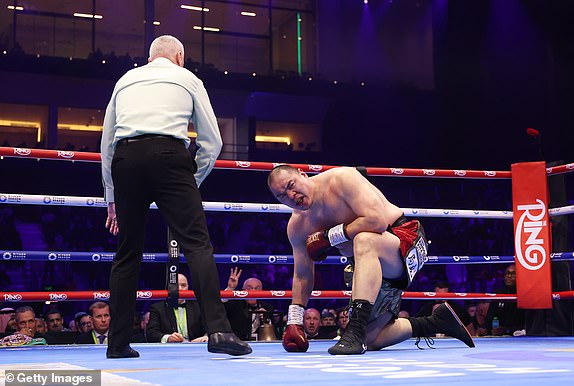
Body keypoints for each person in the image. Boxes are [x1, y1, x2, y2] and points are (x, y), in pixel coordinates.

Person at [100, 35, 251, 358]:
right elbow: (212, 142)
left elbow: (107, 143)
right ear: (179, 56)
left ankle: (117, 343)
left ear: (150, 56)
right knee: (197, 245)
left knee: (127, 253)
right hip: (170, 158)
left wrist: (110, 195)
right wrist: (192, 179)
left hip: (127, 160)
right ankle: (220, 332)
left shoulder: (125, 80)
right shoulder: (187, 78)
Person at [267, 165, 475, 355]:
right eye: (282, 195)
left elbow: (377, 220)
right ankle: (435, 322)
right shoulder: (297, 228)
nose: (291, 195)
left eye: (291, 186)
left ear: (303, 174)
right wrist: (295, 320)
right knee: (371, 339)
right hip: (369, 268)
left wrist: (329, 236)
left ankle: (354, 331)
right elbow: (302, 275)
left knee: (364, 239)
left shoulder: (341, 179)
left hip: (403, 239)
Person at [146, 274, 207, 343]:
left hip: (196, 349)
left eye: (183, 285)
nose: (180, 288)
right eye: (176, 285)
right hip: (169, 350)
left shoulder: (198, 306)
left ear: (188, 287)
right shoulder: (158, 308)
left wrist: (206, 336)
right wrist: (168, 338)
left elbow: (209, 328)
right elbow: (151, 333)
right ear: (168, 287)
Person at [223, 268, 274, 341]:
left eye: (257, 288)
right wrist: (230, 289)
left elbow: (275, 334)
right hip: (236, 344)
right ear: (243, 290)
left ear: (262, 291)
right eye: (249, 288)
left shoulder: (268, 307)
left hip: (261, 346)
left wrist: (266, 320)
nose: (253, 291)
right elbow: (220, 309)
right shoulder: (234, 304)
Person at [485, 264, 525, 336]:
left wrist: (507, 329)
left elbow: (529, 324)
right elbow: (490, 317)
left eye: (513, 274)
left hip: (518, 335)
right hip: (498, 336)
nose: (509, 276)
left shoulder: (525, 294)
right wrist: (485, 329)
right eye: (507, 273)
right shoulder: (499, 294)